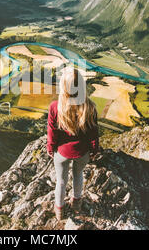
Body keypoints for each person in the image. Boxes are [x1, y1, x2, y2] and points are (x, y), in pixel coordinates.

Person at [47, 66, 99, 220]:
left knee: (61, 181)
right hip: (82, 152)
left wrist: (51, 149)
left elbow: (52, 133)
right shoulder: (90, 107)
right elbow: (93, 134)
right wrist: (94, 150)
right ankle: (76, 202)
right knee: (78, 175)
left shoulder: (55, 107)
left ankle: (59, 209)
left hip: (62, 153)